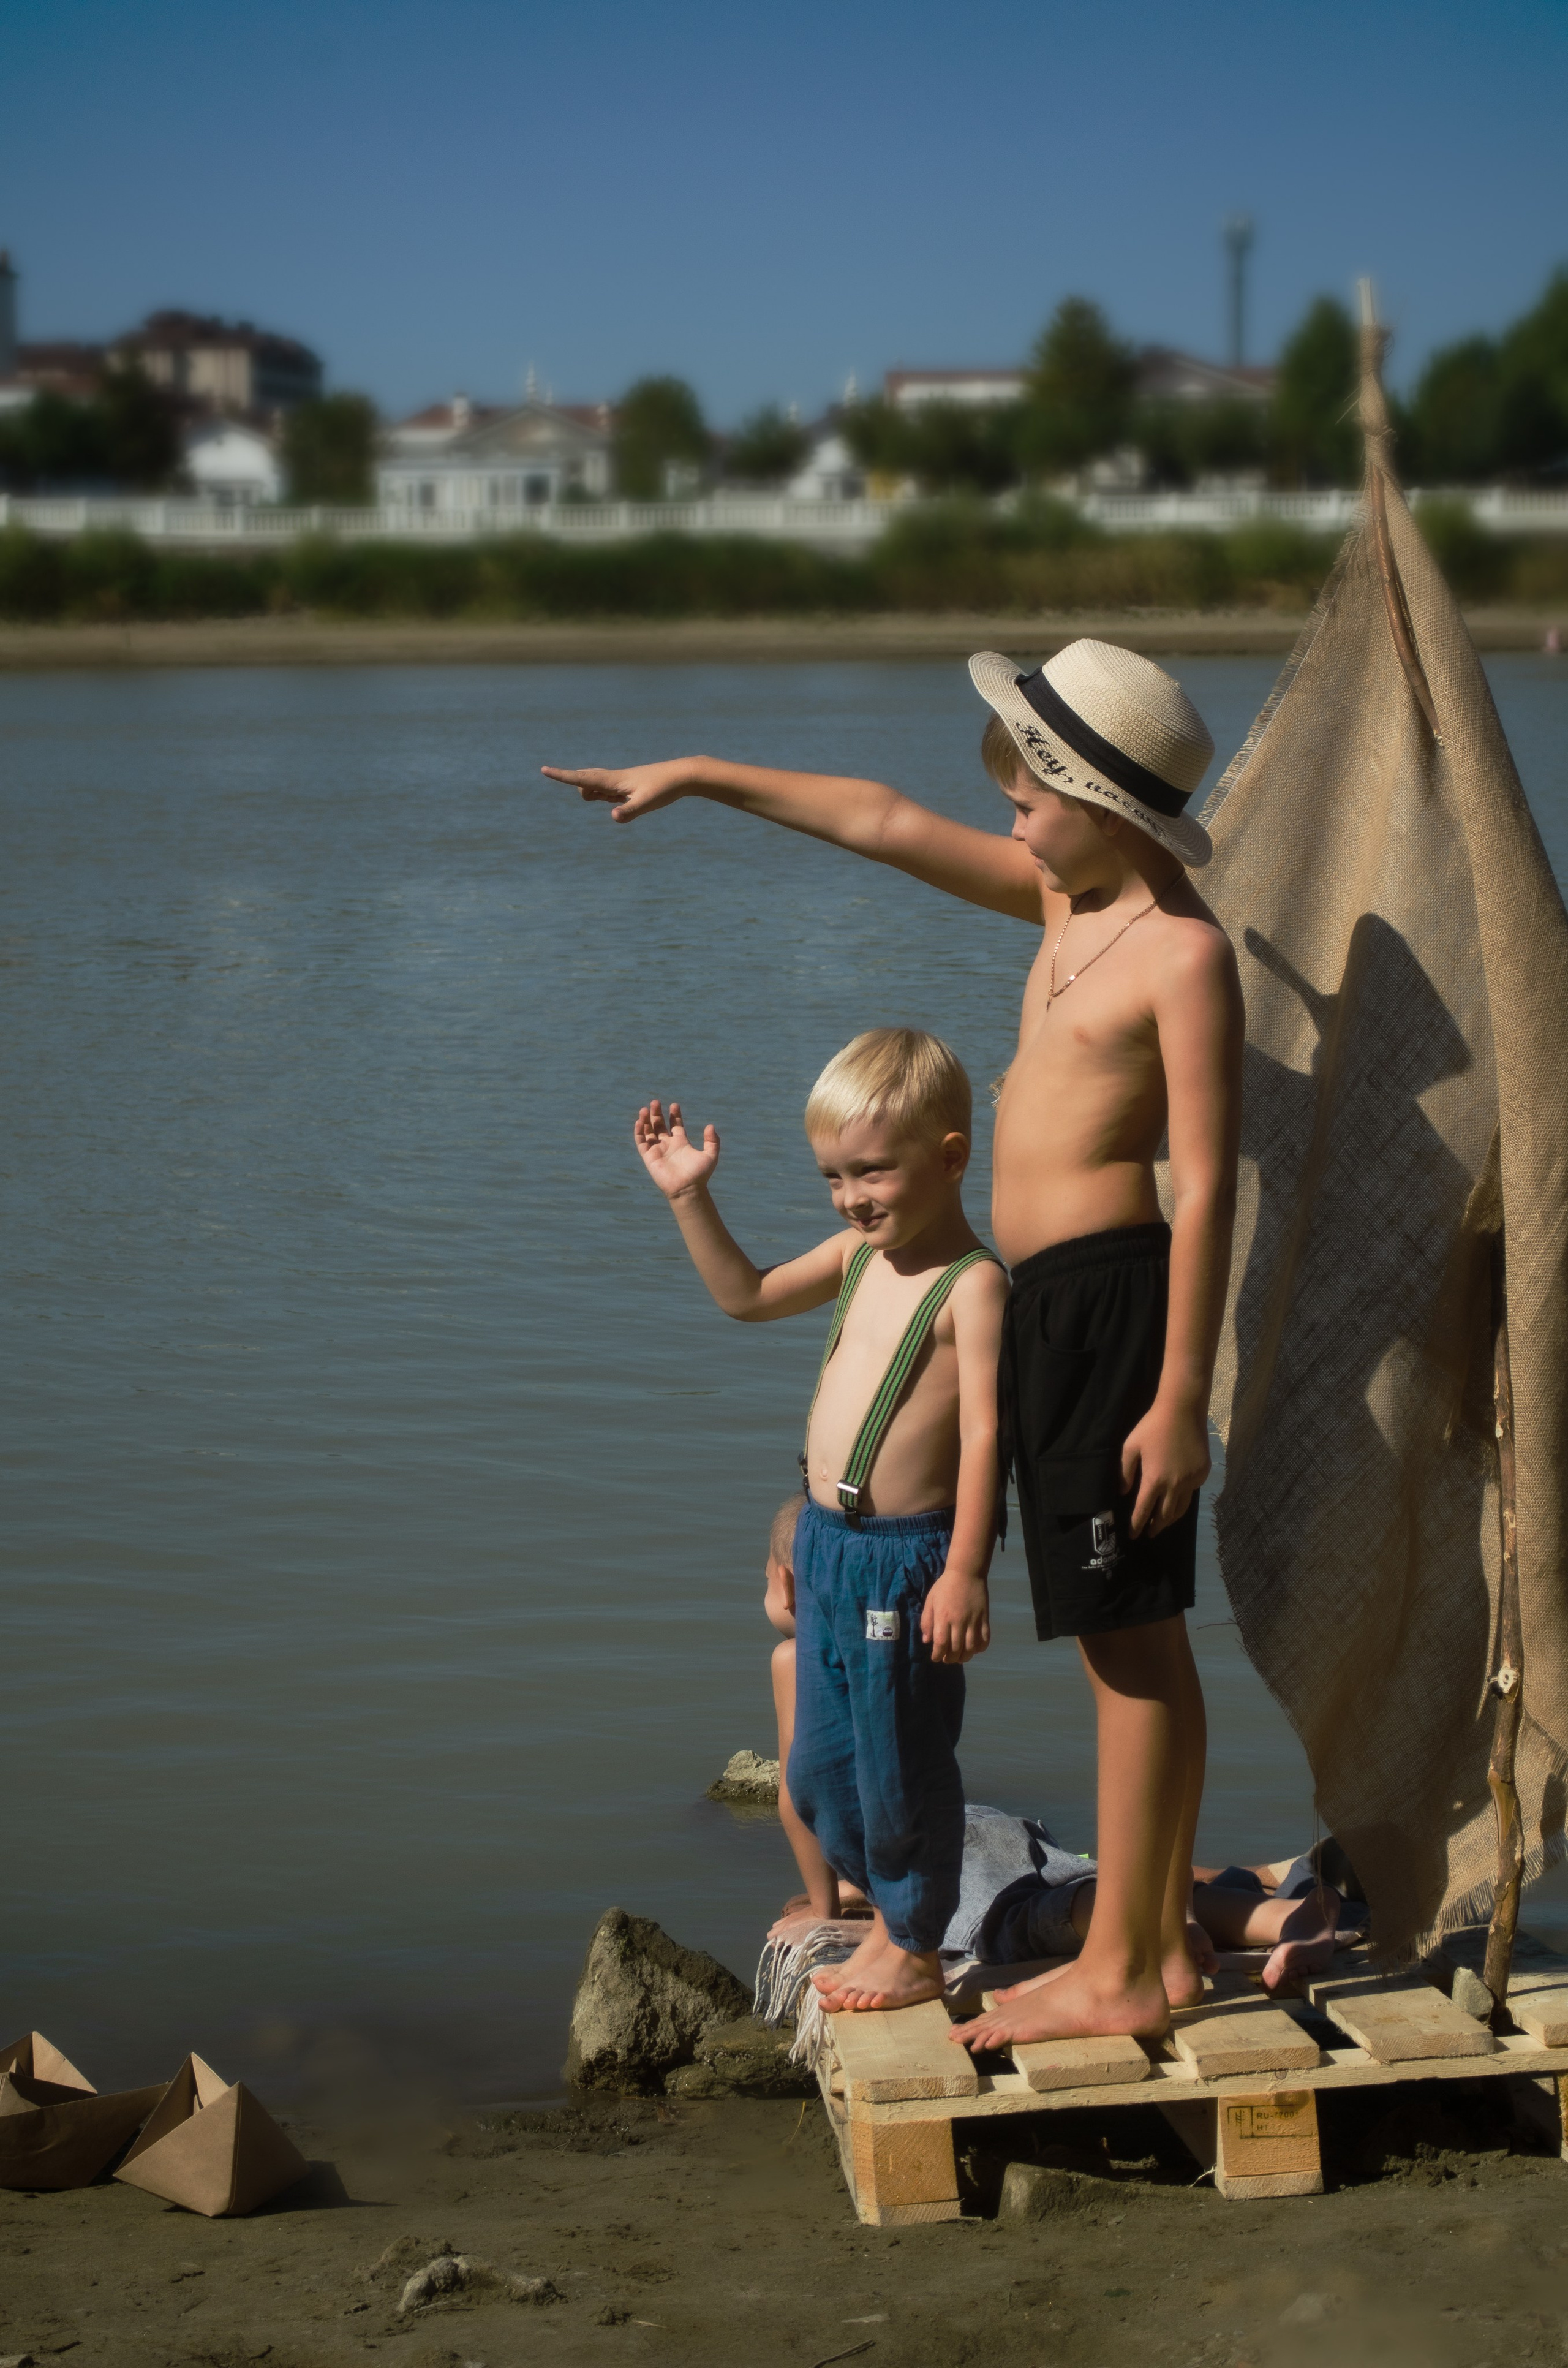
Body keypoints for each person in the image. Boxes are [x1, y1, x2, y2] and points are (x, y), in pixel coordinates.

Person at [544, 637, 1243, 2048]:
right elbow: (876, 818)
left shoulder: (1180, 954)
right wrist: (699, 773)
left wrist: (1179, 1390)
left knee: (1131, 1641)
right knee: (1115, 1635)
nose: (1009, 825)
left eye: (1026, 802)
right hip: (1048, 1303)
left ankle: (1124, 1962)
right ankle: (1154, 1946)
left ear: (1098, 808)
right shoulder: (1063, 901)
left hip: (1111, 1305)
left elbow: (1211, 1178)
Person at [631, 1027, 1008, 2012]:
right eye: (835, 1177)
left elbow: (987, 1434)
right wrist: (689, 1196)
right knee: (819, 1767)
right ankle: (879, 1905)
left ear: (951, 1158)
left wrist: (967, 1568)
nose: (851, 1197)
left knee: (900, 1763)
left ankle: (912, 1943)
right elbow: (747, 1295)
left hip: (906, 1561)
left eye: (873, 1171)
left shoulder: (972, 1285)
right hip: (830, 1545)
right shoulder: (854, 1258)